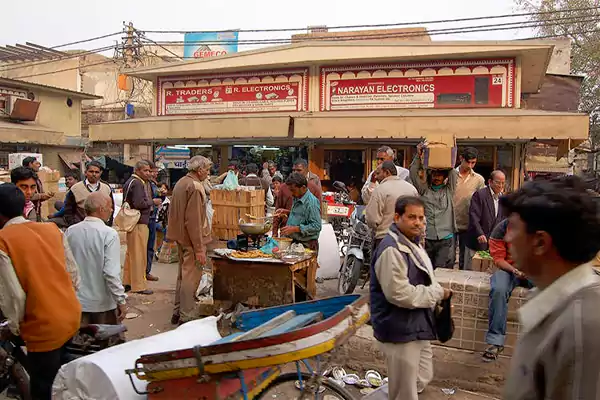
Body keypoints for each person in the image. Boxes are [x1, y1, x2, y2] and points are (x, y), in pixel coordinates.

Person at [502, 176, 600, 400]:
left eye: (513, 228)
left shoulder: (584, 327)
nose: (507, 237)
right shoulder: (549, 299)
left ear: (540, 242)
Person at [0, 183, 81, 400]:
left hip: (44, 326)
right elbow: (73, 275)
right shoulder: (51, 229)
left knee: (43, 387)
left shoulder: (3, 241)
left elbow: (13, 297)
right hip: (70, 314)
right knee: (61, 379)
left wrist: (15, 328)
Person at [370, 196, 451, 400]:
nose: (418, 222)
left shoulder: (412, 244)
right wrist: (437, 293)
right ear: (397, 217)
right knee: (405, 390)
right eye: (412, 217)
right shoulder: (391, 249)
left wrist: (437, 293)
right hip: (399, 327)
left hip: (416, 324)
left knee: (422, 376)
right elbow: (399, 293)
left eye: (421, 218)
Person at [65, 192, 127, 325]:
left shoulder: (71, 231)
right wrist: (121, 300)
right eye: (110, 207)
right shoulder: (109, 234)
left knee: (81, 343)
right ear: (101, 209)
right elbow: (111, 273)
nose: (111, 210)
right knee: (107, 344)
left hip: (77, 302)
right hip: (102, 305)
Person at [167, 156, 214, 325]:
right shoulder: (195, 187)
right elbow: (193, 221)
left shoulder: (181, 182)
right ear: (199, 170)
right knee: (190, 278)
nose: (208, 174)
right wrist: (199, 249)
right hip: (191, 239)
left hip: (180, 237)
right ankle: (186, 315)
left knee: (182, 275)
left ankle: (177, 312)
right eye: (207, 170)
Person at [481, 218, 533, 362]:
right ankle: (495, 342)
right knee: (498, 289)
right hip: (509, 270)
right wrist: (515, 270)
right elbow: (498, 259)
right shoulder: (502, 229)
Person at [410, 144, 458, 269]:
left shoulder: (449, 190)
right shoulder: (424, 190)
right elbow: (413, 173)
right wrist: (419, 155)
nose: (437, 177)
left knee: (440, 267)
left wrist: (445, 156)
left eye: (440, 175)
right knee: (427, 268)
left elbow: (453, 173)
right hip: (428, 237)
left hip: (445, 237)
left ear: (445, 177)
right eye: (434, 174)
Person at [366, 161, 418, 249]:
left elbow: (372, 219)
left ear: (387, 172)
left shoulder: (380, 190)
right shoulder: (412, 189)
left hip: (385, 240)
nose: (376, 177)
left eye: (378, 173)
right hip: (409, 239)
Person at [122, 160, 156, 295]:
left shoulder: (131, 182)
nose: (148, 173)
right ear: (137, 171)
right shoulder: (137, 183)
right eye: (145, 171)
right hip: (138, 222)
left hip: (134, 222)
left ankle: (128, 281)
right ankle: (139, 286)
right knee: (138, 255)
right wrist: (152, 201)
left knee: (131, 253)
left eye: (149, 171)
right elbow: (139, 203)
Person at [464, 170, 507, 270]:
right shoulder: (480, 195)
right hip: (477, 241)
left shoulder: (503, 198)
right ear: (490, 182)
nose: (501, 185)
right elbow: (473, 216)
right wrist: (480, 233)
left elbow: (503, 219)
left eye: (503, 183)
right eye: (498, 182)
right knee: (471, 270)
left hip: (491, 243)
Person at [452, 147, 485, 270]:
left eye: (473, 163)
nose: (470, 166)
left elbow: (480, 203)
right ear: (461, 159)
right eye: (468, 162)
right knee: (449, 258)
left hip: (468, 224)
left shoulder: (479, 180)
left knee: (464, 259)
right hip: (450, 223)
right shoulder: (451, 175)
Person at [277, 172, 322, 251]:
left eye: (293, 190)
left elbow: (316, 226)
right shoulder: (297, 197)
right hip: (295, 243)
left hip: (307, 245)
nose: (291, 193)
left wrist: (295, 229)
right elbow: (302, 214)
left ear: (303, 188)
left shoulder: (311, 203)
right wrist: (287, 212)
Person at [64, 161, 115, 227]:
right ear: (85, 173)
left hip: (101, 228)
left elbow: (111, 208)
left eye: (97, 172)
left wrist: (108, 225)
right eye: (91, 171)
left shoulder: (106, 188)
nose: (94, 174)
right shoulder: (75, 189)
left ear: (100, 173)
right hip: (82, 228)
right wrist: (73, 225)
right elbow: (68, 209)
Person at [146, 161, 160, 282]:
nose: (155, 173)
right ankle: (142, 272)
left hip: (152, 217)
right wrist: (153, 202)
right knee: (144, 247)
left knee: (150, 246)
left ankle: (147, 271)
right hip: (145, 219)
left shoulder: (152, 183)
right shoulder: (140, 183)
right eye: (152, 171)